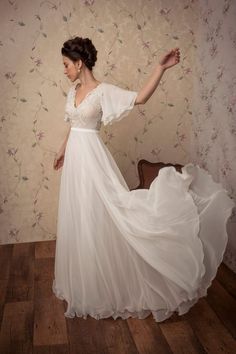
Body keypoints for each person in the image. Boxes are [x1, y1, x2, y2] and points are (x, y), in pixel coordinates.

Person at [52, 36, 235, 322]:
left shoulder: (103, 91)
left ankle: (112, 279)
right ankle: (84, 281)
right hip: (75, 159)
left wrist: (160, 68)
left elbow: (139, 98)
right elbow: (72, 124)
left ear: (79, 63)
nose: (64, 70)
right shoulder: (72, 90)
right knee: (80, 216)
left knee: (108, 213)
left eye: (66, 64)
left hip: (92, 160)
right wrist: (62, 150)